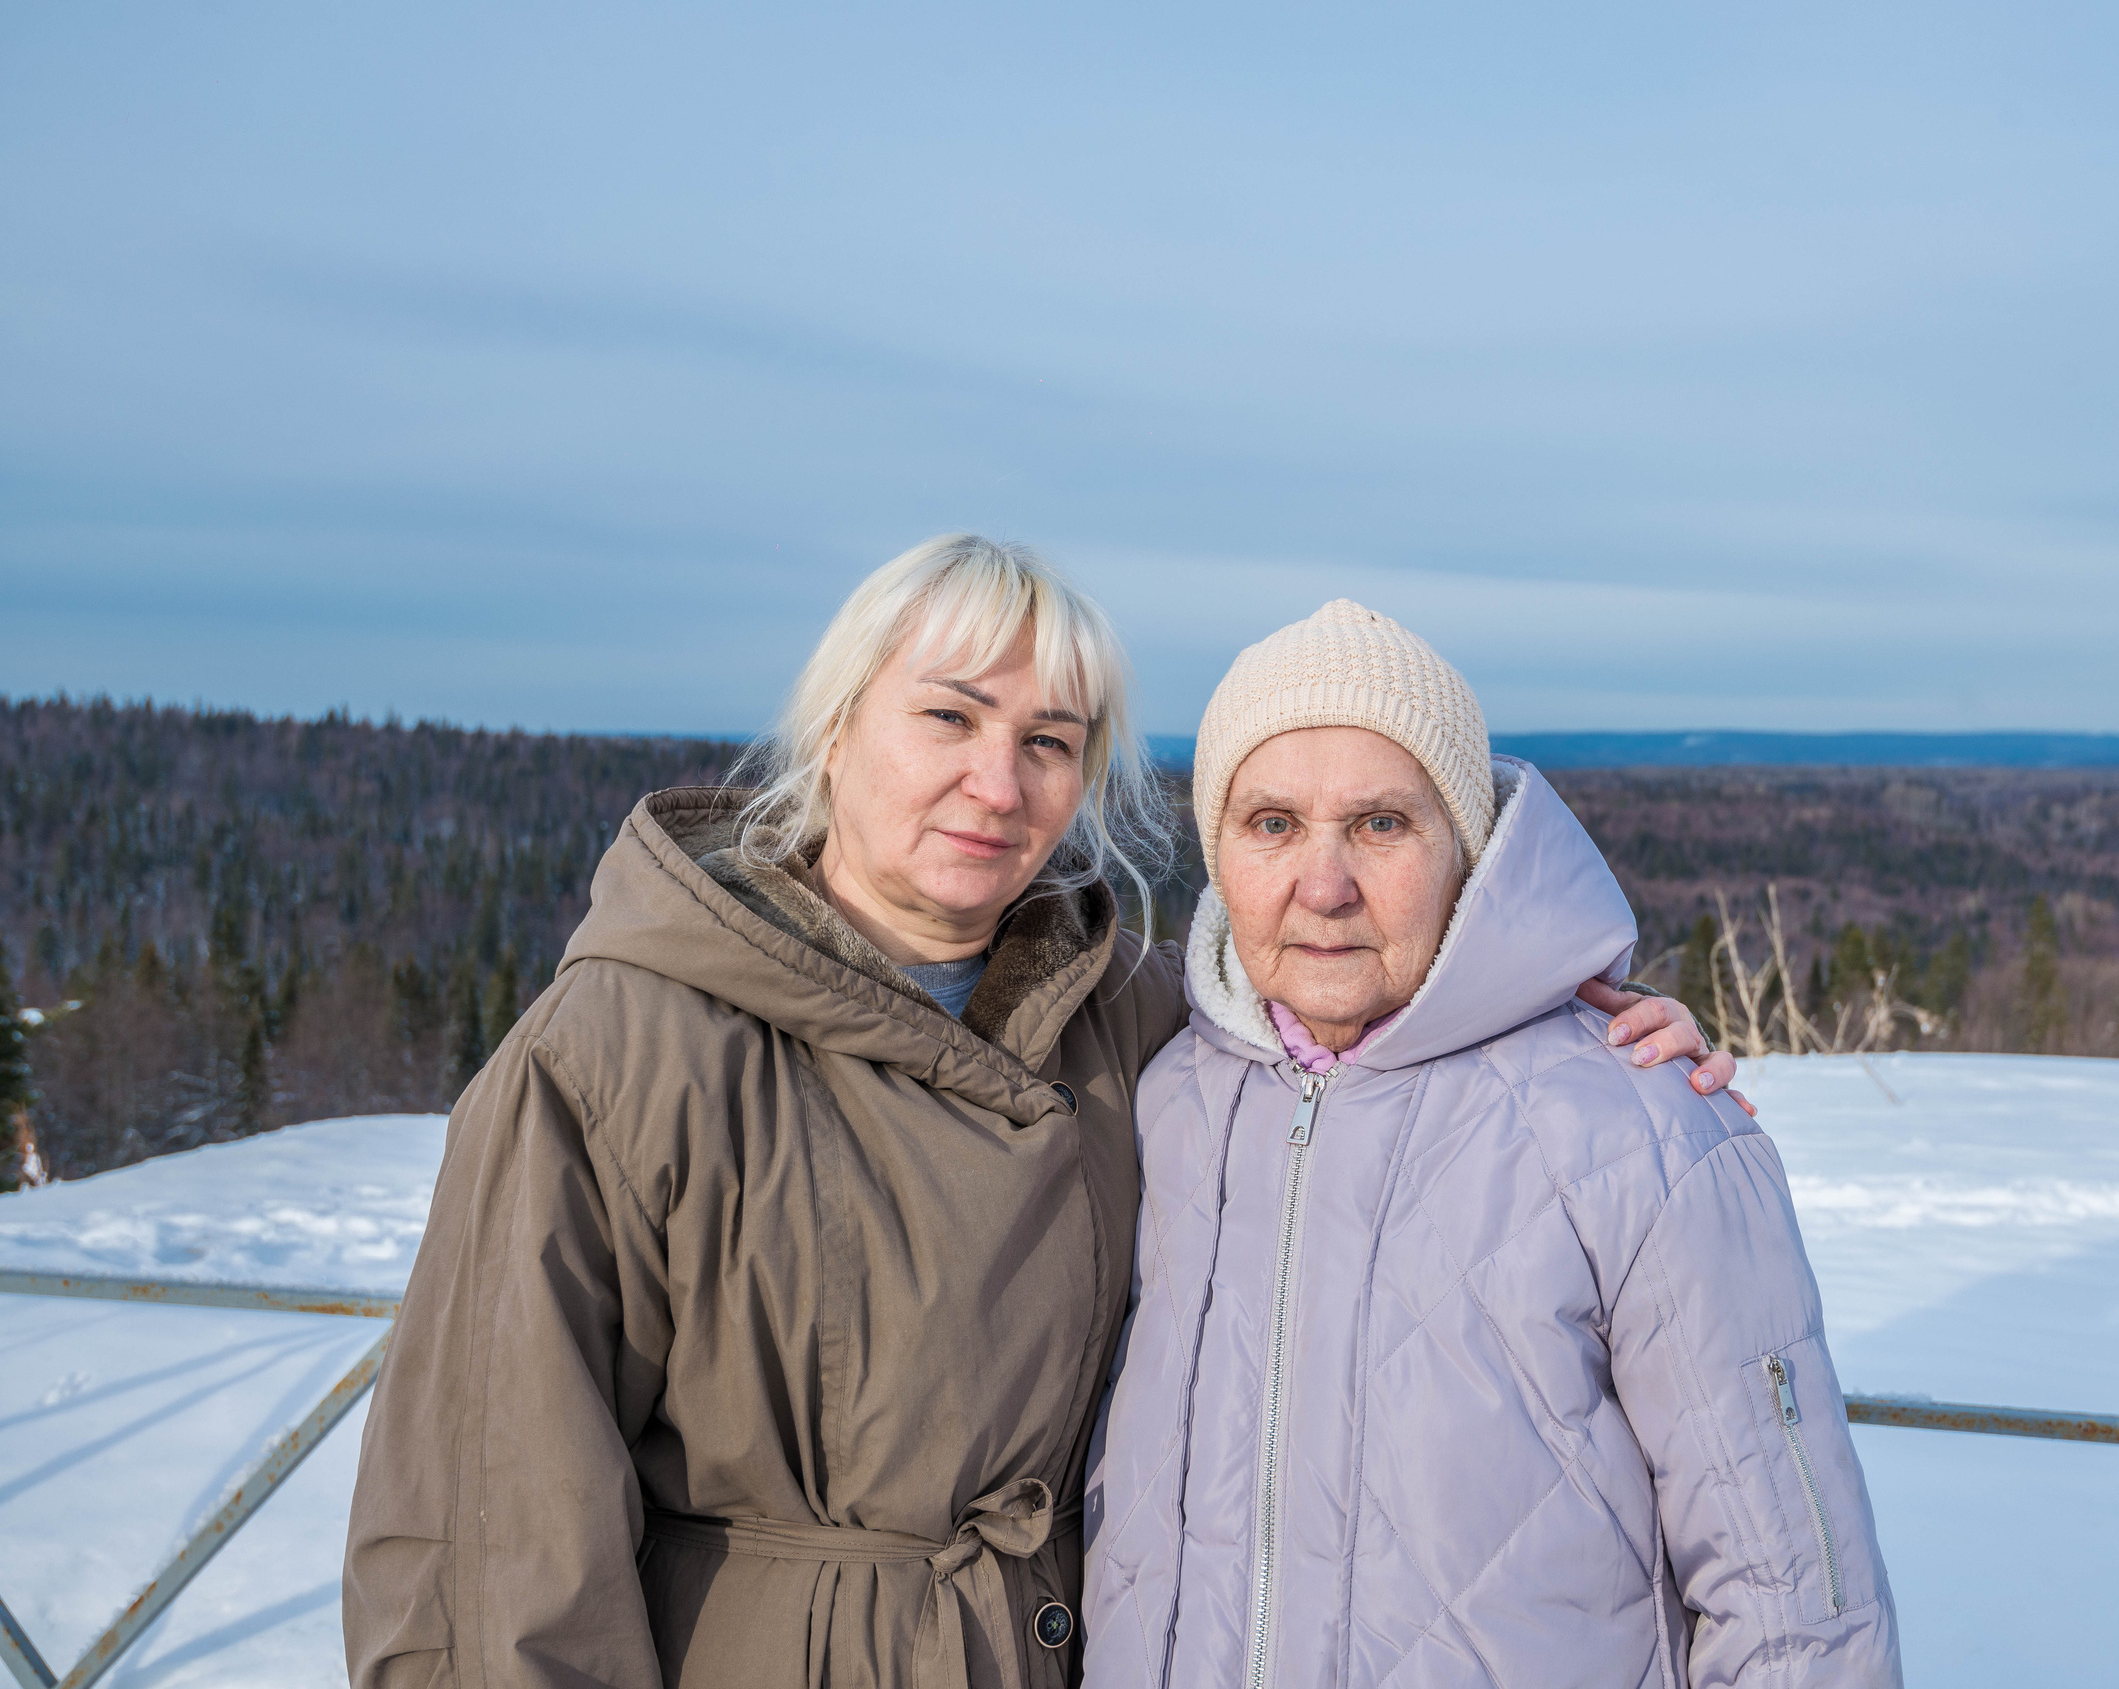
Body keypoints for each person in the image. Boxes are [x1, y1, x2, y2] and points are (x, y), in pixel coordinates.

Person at [342, 538, 1735, 1689]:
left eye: (1048, 740)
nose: (997, 783)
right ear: (837, 730)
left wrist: (1563, 1017)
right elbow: (488, 1552)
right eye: (947, 716)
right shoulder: (616, 1055)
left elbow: (1352, 1059)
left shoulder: (1125, 1023)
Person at [1083, 600, 1900, 1688]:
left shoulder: (1641, 1122)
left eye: (1381, 823)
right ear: (1217, 849)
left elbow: (1797, 1606)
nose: (1322, 886)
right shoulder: (1155, 1091)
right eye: (1271, 822)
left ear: (1466, 849)